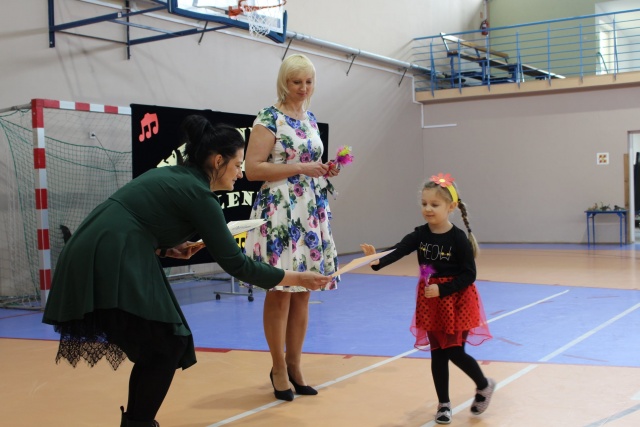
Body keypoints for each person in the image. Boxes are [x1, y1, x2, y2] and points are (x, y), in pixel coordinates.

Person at [42, 115, 333, 427]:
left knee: (161, 346)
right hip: (109, 254)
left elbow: (140, 220)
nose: (240, 173)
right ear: (218, 161)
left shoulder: (178, 176)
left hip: (101, 248)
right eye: (237, 165)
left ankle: (138, 422)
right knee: (166, 345)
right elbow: (236, 264)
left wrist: (167, 249)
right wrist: (296, 278)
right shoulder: (198, 194)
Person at [243, 53, 340, 401]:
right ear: (285, 82)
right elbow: (252, 169)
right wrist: (301, 167)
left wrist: (323, 169)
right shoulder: (268, 117)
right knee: (281, 291)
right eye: (296, 81)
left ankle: (296, 365)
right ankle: (278, 367)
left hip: (310, 209)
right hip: (281, 210)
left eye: (308, 82)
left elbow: (309, 162)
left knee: (305, 292)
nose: (303, 88)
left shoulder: (310, 118)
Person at [361, 173, 494, 425]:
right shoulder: (420, 235)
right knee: (437, 353)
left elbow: (469, 275)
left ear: (451, 207)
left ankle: (483, 384)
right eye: (424, 204)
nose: (428, 209)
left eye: (434, 204)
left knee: (454, 350)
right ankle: (444, 404)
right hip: (431, 302)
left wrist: (443, 290)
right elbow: (399, 250)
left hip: (456, 301)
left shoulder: (458, 238)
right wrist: (376, 260)